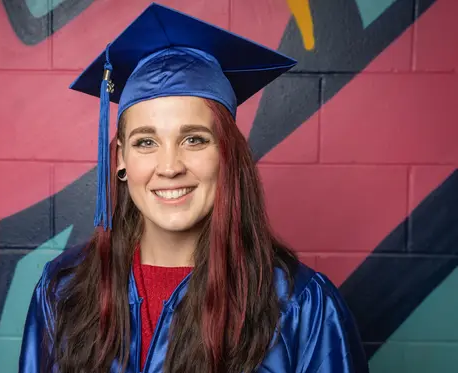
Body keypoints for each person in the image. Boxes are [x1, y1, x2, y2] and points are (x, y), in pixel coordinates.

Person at [19, 3, 369, 373]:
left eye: (195, 140)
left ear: (227, 154)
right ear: (121, 159)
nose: (169, 168)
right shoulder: (64, 290)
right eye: (146, 142)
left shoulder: (300, 306)